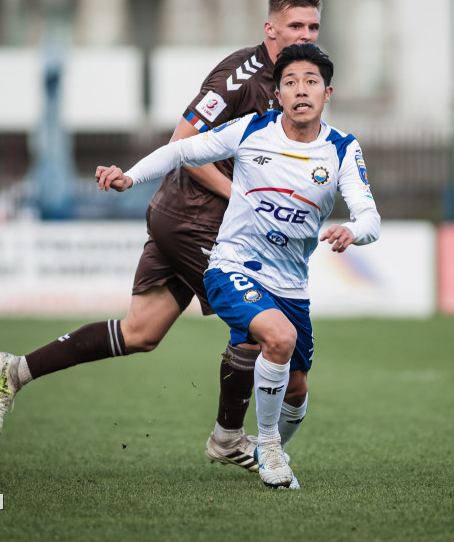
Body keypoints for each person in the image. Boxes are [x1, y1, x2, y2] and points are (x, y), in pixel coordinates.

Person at [0, 0, 322, 472]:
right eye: (295, 26)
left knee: (141, 332)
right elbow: (183, 141)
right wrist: (243, 197)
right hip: (195, 220)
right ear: (270, 30)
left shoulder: (300, 77)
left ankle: (14, 371)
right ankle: (228, 438)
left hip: (180, 217)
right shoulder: (239, 77)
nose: (305, 35)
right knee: (259, 323)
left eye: (312, 27)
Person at [96, 43, 380, 488]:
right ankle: (266, 447)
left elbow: (369, 215)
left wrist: (353, 230)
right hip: (233, 267)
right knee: (278, 338)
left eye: (311, 82)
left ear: (328, 94)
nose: (300, 90)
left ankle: (272, 448)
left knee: (298, 389)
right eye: (290, 83)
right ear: (278, 93)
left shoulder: (342, 148)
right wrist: (130, 176)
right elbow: (180, 151)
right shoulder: (251, 129)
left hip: (291, 285)